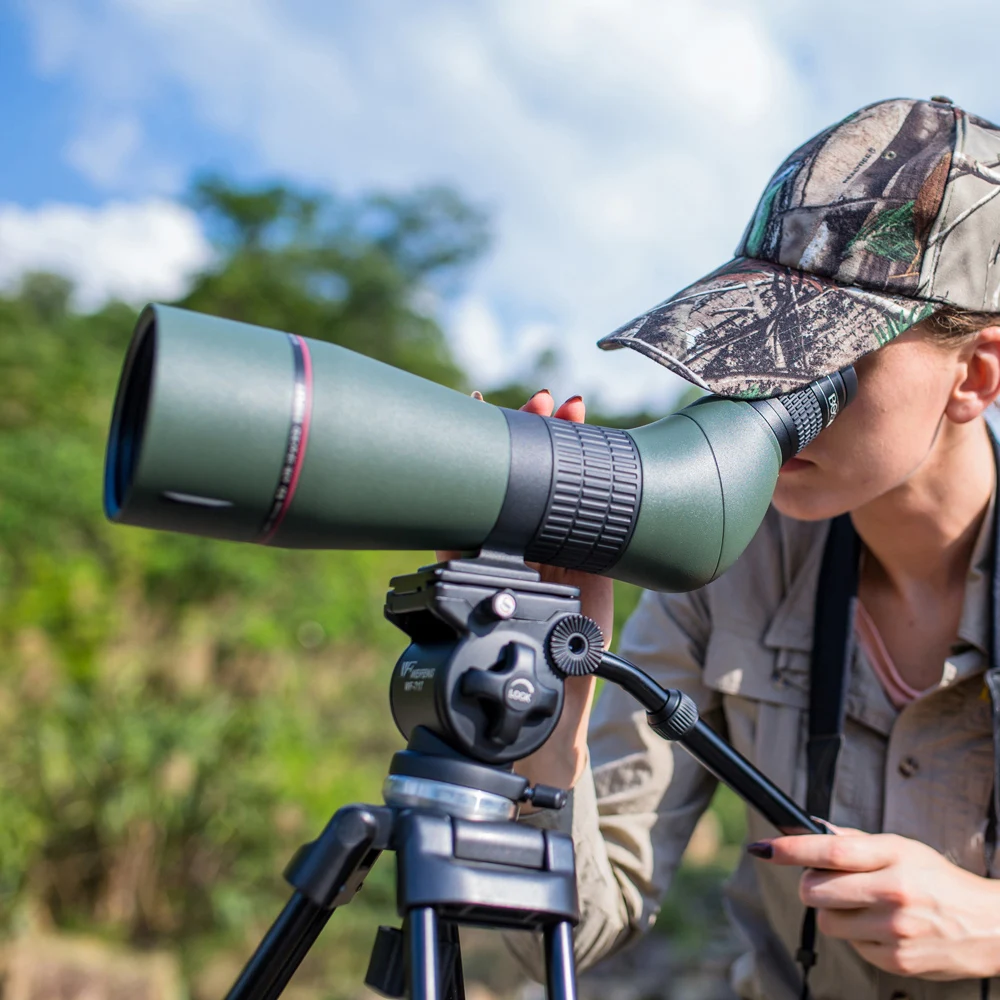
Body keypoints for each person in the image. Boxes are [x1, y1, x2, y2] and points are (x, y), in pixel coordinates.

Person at [503, 97, 1000, 999]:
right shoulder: (724, 560)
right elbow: (568, 935)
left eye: (831, 356)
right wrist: (552, 717)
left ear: (976, 375)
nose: (774, 390)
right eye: (762, 337)